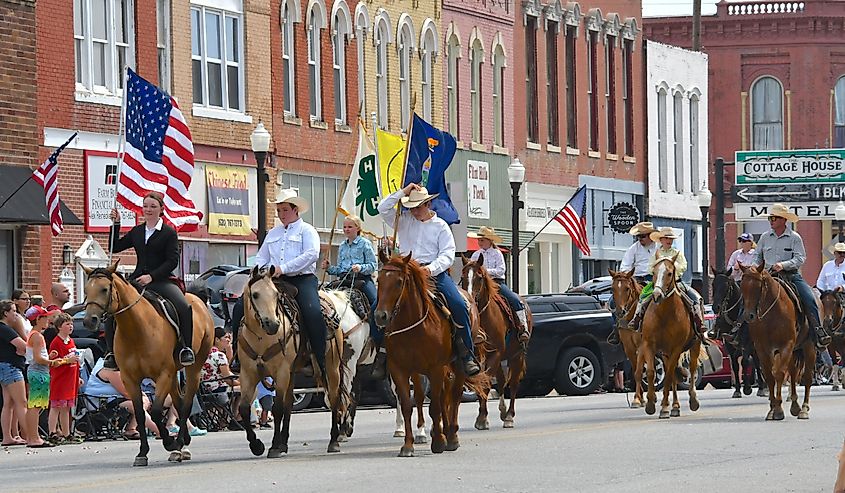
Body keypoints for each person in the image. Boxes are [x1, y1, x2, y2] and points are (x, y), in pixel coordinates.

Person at [377, 184, 480, 376]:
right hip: (406, 274)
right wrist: (403, 192)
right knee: (380, 305)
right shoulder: (404, 220)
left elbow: (447, 255)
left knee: (458, 304)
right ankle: (380, 352)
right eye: (412, 207)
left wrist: (429, 270)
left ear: (428, 204)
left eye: (418, 207)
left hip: (433, 274)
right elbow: (382, 208)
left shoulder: (441, 226)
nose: (414, 211)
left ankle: (466, 354)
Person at [231, 189, 328, 379]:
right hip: (273, 280)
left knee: (312, 311)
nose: (281, 214)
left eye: (284, 210)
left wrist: (283, 267)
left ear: (295, 210)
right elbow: (262, 256)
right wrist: (261, 271)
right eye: (279, 210)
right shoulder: (273, 233)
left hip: (302, 279)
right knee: (240, 307)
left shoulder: (307, 230)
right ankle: (237, 354)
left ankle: (319, 358)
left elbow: (311, 255)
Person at [107, 191, 194, 369]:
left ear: (161, 209)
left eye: (153, 206)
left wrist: (152, 276)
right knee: (113, 308)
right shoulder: (137, 231)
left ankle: (186, 348)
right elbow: (114, 247)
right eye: (145, 206)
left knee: (184, 307)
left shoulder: (168, 232)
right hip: (137, 279)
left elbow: (172, 261)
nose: (148, 209)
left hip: (160, 279)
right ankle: (111, 352)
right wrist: (116, 224)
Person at [740, 204, 830, 348]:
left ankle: (818, 331)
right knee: (747, 296)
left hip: (790, 276)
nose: (771, 220)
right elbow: (757, 256)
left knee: (809, 298)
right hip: (766, 276)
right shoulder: (764, 237)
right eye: (770, 218)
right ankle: (739, 333)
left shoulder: (794, 237)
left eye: (774, 218)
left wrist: (783, 265)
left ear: (783, 220)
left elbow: (800, 258)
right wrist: (754, 267)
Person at [320, 215, 382, 376]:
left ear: (357, 228)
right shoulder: (342, 245)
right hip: (344, 281)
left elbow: (372, 266)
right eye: (345, 227)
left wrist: (360, 268)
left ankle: (380, 342)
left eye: (350, 227)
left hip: (362, 280)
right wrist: (329, 268)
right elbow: (340, 269)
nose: (346, 229)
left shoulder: (365, 244)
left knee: (377, 305)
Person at [626, 227, 705, 334]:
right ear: (661, 240)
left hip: (676, 283)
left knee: (696, 298)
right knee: (642, 298)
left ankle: (699, 324)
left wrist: (672, 269)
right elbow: (650, 267)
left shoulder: (677, 253)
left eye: (671, 238)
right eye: (666, 238)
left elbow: (683, 266)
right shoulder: (656, 253)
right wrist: (658, 272)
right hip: (658, 283)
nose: (669, 240)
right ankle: (636, 319)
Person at [468, 226, 530, 343]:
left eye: (482, 240)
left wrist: (485, 272)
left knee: (514, 299)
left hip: (496, 283)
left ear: (489, 241)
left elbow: (501, 270)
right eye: (479, 240)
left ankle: (523, 327)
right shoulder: (475, 255)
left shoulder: (497, 253)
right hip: (480, 284)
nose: (479, 242)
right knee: (469, 301)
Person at [81, 357, 161, 440]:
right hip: (99, 404)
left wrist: (143, 396)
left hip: (113, 400)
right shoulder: (109, 368)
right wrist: (142, 397)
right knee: (136, 405)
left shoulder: (120, 365)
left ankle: (131, 429)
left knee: (141, 401)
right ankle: (159, 431)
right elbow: (126, 392)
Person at [607, 222, 659, 344]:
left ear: (650, 235)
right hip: (636, 279)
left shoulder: (659, 248)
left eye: (643, 236)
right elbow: (625, 266)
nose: (640, 239)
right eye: (638, 236)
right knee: (613, 302)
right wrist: (624, 276)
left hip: (655, 279)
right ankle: (617, 328)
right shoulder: (633, 249)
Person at [0, 300, 36, 447]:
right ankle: (30, 436)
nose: (15, 314)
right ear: (5, 313)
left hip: (3, 366)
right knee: (22, 402)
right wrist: (22, 349)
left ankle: (8, 437)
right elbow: (23, 346)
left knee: (8, 404)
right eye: (13, 311)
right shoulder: (6, 329)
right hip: (11, 367)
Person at [24, 305, 61, 447]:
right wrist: (52, 362)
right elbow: (38, 359)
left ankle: (31, 437)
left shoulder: (32, 334)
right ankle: (34, 438)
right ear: (38, 319)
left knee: (33, 405)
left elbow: (36, 355)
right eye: (45, 317)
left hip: (34, 371)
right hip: (39, 372)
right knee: (35, 405)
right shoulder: (38, 336)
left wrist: (49, 357)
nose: (47, 320)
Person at [48, 313, 82, 444]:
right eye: (67, 324)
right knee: (56, 405)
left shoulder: (70, 341)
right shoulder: (56, 342)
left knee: (66, 407)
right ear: (59, 327)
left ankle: (67, 433)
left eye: (71, 324)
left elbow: (75, 359)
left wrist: (78, 376)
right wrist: (67, 360)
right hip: (60, 378)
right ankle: (52, 432)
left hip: (71, 377)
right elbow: (53, 361)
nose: (70, 326)